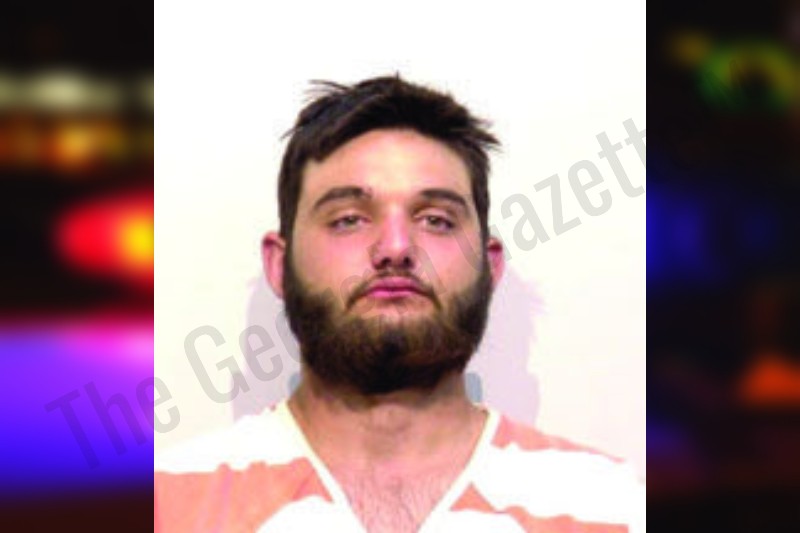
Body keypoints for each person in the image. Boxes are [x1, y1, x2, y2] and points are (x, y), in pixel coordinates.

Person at [154, 76, 644, 532]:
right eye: (348, 219)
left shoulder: (617, 507)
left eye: (436, 220)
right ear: (279, 265)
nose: (395, 247)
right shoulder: (164, 507)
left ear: (490, 265)